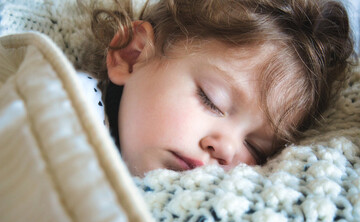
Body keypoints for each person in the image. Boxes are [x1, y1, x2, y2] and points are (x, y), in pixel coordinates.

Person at [80, 0, 355, 176]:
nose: (226, 148)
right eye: (212, 101)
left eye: (255, 149)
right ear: (133, 55)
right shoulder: (68, 109)